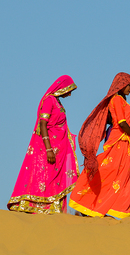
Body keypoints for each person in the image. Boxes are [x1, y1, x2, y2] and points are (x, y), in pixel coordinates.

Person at [69, 72, 130, 218]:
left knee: (121, 177)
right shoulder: (116, 99)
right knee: (107, 172)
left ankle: (113, 209)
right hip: (119, 141)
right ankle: (85, 202)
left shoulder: (121, 100)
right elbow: (121, 122)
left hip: (125, 143)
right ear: (121, 85)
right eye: (129, 85)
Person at [7, 75, 78, 214]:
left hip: (59, 149)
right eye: (69, 90)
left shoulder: (57, 102)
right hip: (48, 147)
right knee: (44, 177)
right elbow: (43, 124)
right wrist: (49, 149)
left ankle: (54, 208)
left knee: (54, 179)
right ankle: (37, 208)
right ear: (63, 88)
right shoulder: (49, 100)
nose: (70, 94)